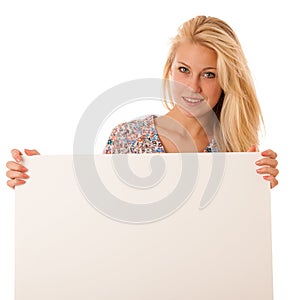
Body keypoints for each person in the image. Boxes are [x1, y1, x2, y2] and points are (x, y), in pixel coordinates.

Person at [6, 15, 279, 189]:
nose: (193, 86)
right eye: (184, 70)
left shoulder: (238, 150)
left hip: (214, 280)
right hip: (138, 279)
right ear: (170, 68)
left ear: (226, 80)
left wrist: (259, 186)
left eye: (209, 74)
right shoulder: (127, 137)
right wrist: (39, 179)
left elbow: (241, 238)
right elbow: (91, 211)